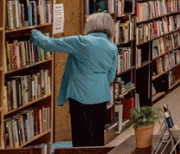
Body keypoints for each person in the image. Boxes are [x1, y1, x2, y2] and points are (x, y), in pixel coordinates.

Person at [31, 12, 118, 147]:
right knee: (97, 135)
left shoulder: (82, 42)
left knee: (81, 136)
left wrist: (35, 33)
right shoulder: (112, 46)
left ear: (91, 25)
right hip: (101, 94)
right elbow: (111, 75)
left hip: (81, 94)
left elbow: (51, 44)